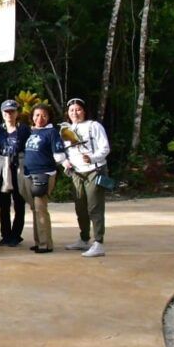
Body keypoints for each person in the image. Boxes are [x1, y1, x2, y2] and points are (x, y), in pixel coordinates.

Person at [61, 97, 110, 258]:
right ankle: (84, 239)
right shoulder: (66, 129)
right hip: (76, 173)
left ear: (84, 111)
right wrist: (65, 163)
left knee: (94, 207)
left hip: (94, 171)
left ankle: (98, 243)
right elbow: (65, 152)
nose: (75, 112)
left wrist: (93, 158)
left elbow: (105, 148)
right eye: (71, 110)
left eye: (78, 109)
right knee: (80, 208)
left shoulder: (94, 126)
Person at [23, 104, 66, 254]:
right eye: (36, 115)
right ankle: (38, 241)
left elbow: (59, 154)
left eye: (43, 115)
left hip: (44, 173)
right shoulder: (32, 131)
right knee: (35, 208)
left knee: (41, 208)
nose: (39, 118)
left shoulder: (51, 132)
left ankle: (45, 243)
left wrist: (67, 165)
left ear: (49, 117)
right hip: (30, 173)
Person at [0, 99, 30, 247]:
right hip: (2, 167)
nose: (9, 114)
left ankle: (16, 235)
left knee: (19, 203)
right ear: (2, 113)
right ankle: (5, 234)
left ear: (17, 113)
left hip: (18, 166)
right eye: (6, 111)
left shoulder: (24, 129)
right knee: (4, 203)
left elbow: (29, 150)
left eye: (12, 111)